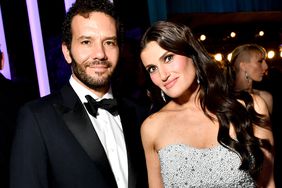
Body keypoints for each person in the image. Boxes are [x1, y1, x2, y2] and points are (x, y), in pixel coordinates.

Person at [9, 0, 149, 188]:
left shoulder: (139, 115)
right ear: (67, 52)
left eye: (109, 42)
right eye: (86, 42)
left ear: (119, 49)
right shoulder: (37, 118)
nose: (99, 54)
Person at [139, 21, 275, 187]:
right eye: (152, 68)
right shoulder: (152, 127)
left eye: (168, 58)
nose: (163, 75)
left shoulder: (250, 107)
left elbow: (268, 184)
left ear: (192, 55)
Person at [229, 44, 273, 115]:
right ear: (243, 66)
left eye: (265, 61)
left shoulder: (265, 97)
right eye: (260, 61)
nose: (266, 66)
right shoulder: (224, 98)